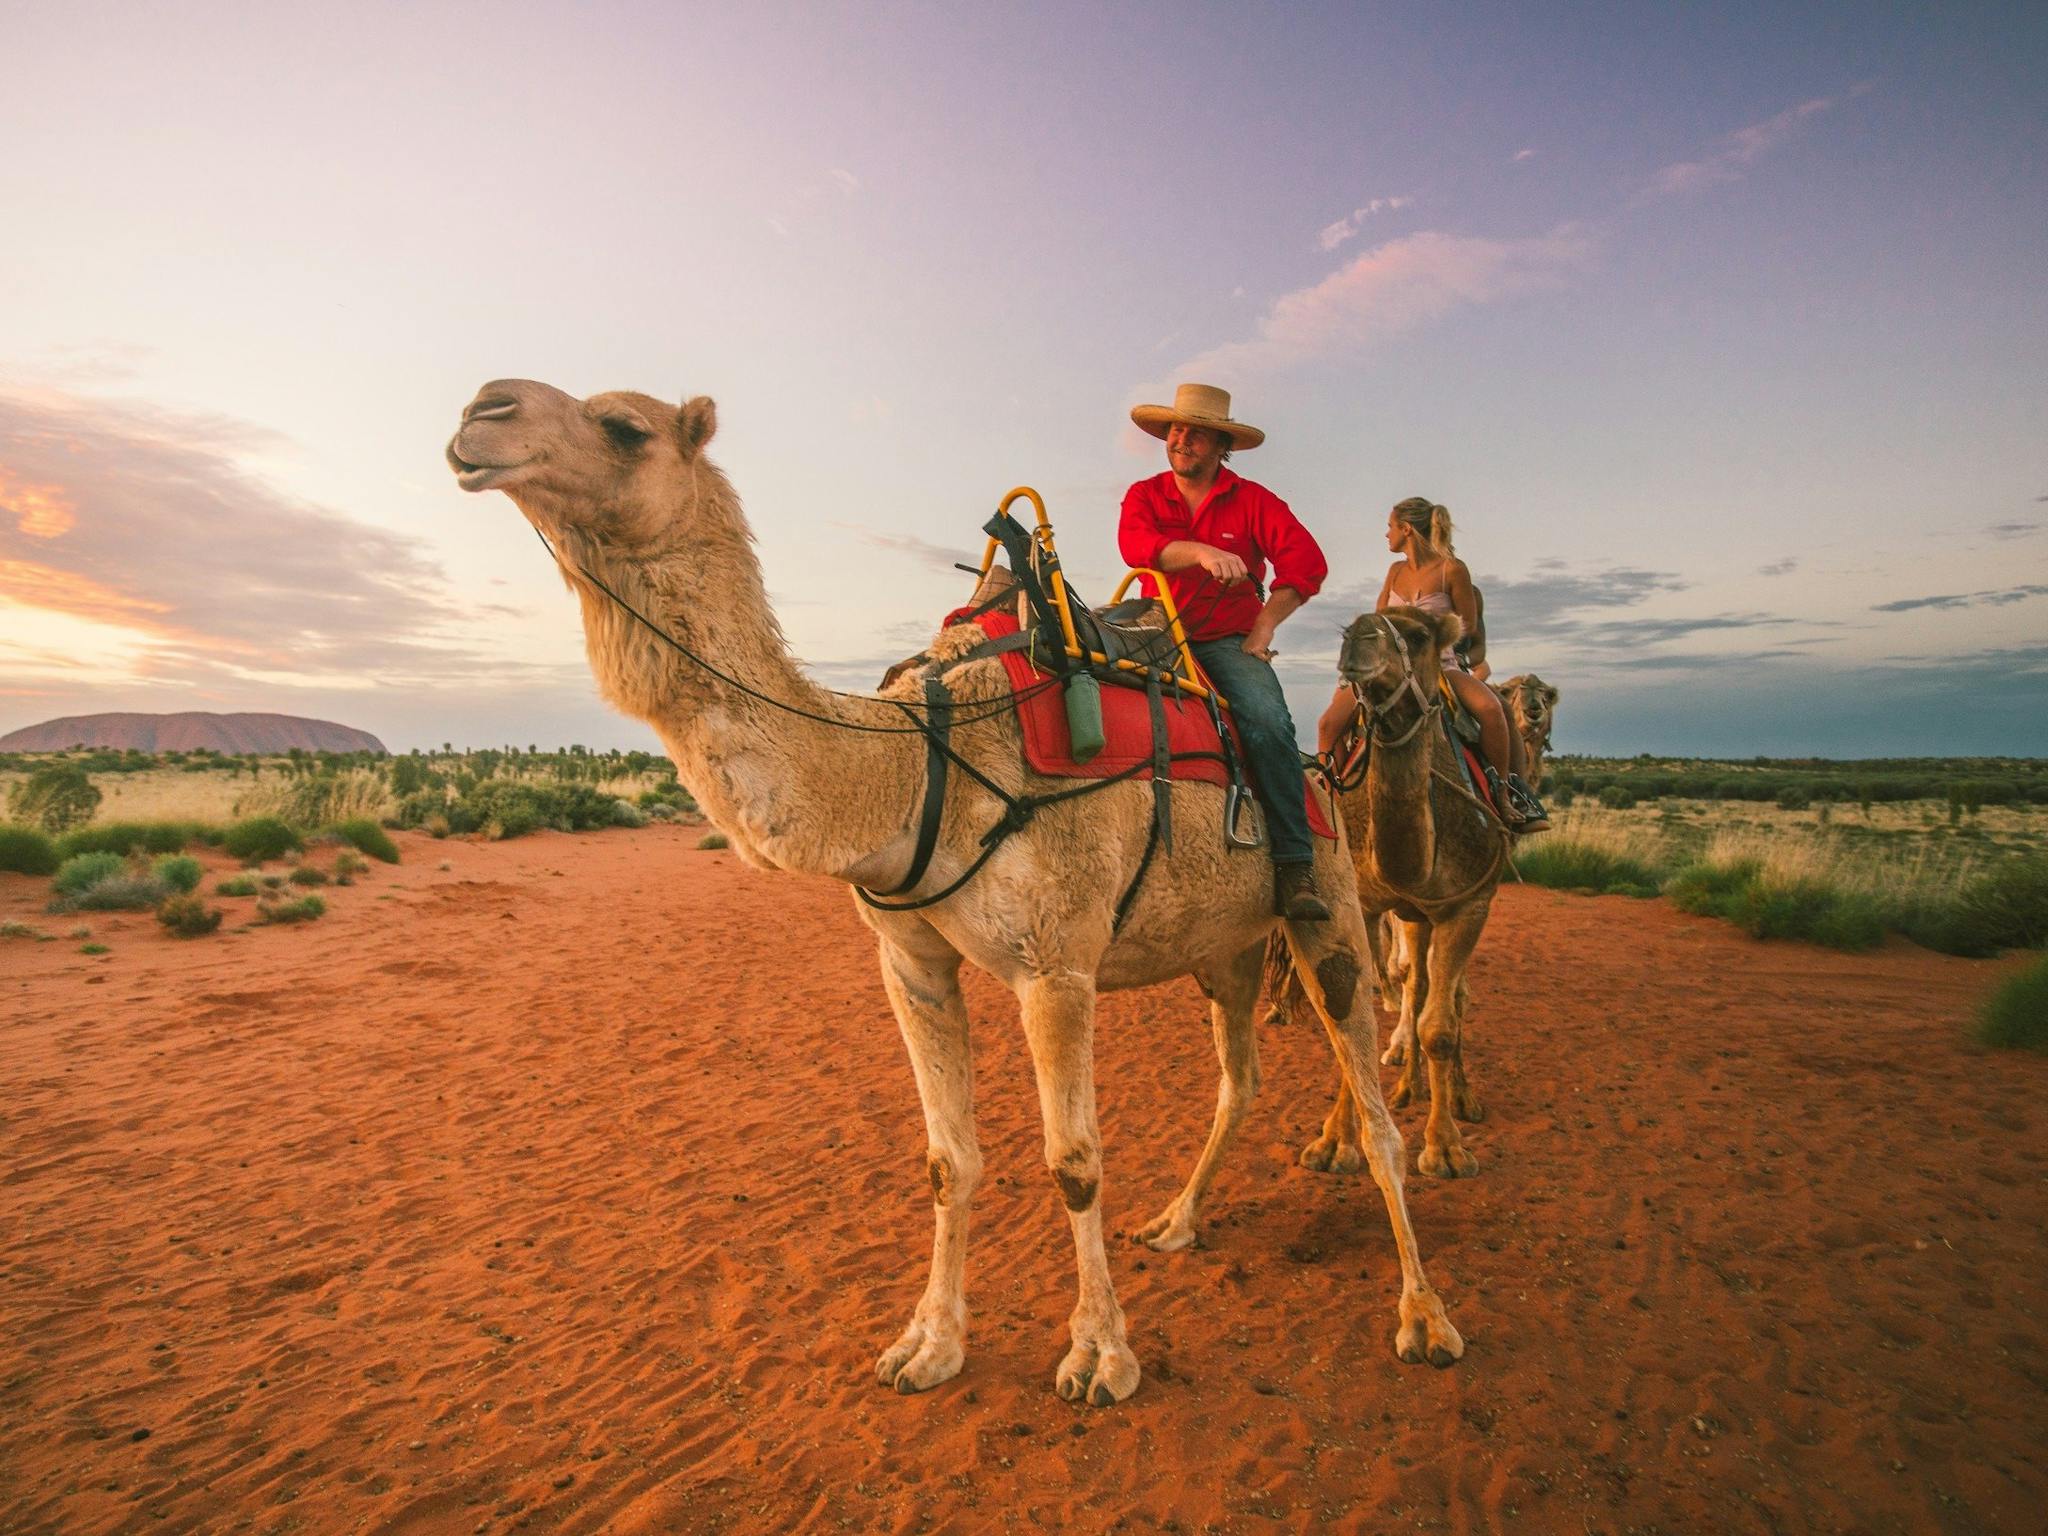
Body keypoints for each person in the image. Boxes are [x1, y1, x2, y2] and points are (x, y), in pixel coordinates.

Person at [1119, 382, 1332, 920]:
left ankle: (1294, 862)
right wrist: (1202, 552)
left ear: (1220, 445)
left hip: (1224, 641)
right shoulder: (1145, 495)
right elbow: (1136, 548)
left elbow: (1306, 564)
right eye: (1175, 429)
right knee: (1085, 687)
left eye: (1195, 432)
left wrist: (1262, 630)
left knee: (1265, 720)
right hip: (1154, 632)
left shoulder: (1255, 501)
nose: (1181, 439)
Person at [1314, 497, 1549, 831]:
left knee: (1493, 710)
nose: (1386, 535)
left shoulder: (1452, 570)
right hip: (1390, 669)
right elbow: (1380, 623)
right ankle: (1331, 798)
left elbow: (1467, 631)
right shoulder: (1394, 572)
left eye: (1390, 527)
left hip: (1439, 666)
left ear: (1406, 529)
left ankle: (1505, 793)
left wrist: (1456, 658)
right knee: (1327, 725)